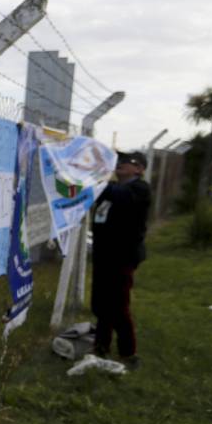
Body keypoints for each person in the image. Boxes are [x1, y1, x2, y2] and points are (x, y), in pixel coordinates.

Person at [91, 151, 151, 368]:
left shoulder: (139, 189)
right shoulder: (112, 189)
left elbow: (118, 195)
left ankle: (128, 352)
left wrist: (95, 177)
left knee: (118, 304)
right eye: (119, 161)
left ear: (140, 169)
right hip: (104, 255)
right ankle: (101, 345)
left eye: (129, 162)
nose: (122, 164)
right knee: (101, 303)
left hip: (122, 257)